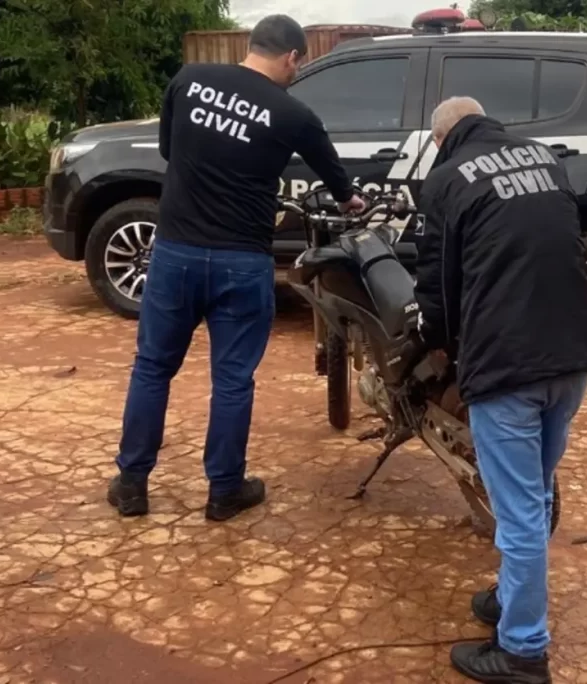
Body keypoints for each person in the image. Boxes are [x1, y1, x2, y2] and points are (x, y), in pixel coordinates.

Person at [107, 15, 365, 522]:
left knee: (153, 368)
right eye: (300, 63)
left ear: (252, 45)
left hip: (176, 253)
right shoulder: (293, 113)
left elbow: (168, 148)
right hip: (242, 264)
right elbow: (338, 182)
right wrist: (352, 201)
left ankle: (133, 485)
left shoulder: (188, 80)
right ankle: (224, 490)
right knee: (231, 380)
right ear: (292, 57)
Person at [414, 97, 587, 683]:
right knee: (538, 490)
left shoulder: (446, 179)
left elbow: (438, 287)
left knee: (518, 513)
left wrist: (440, 346)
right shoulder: (547, 160)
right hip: (572, 355)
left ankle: (523, 651)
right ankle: (511, 596)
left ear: (443, 140)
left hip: (507, 365)